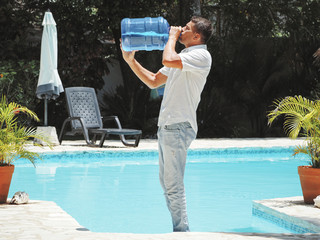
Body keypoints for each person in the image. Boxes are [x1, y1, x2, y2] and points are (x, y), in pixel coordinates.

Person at [121, 16, 213, 232]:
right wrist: (130, 61)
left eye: (187, 28)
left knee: (173, 184)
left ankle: (182, 232)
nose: (182, 29)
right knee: (167, 183)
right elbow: (154, 80)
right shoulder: (183, 55)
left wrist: (170, 38)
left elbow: (167, 60)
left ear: (197, 36)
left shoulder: (201, 55)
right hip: (168, 127)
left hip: (179, 126)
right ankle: (180, 229)